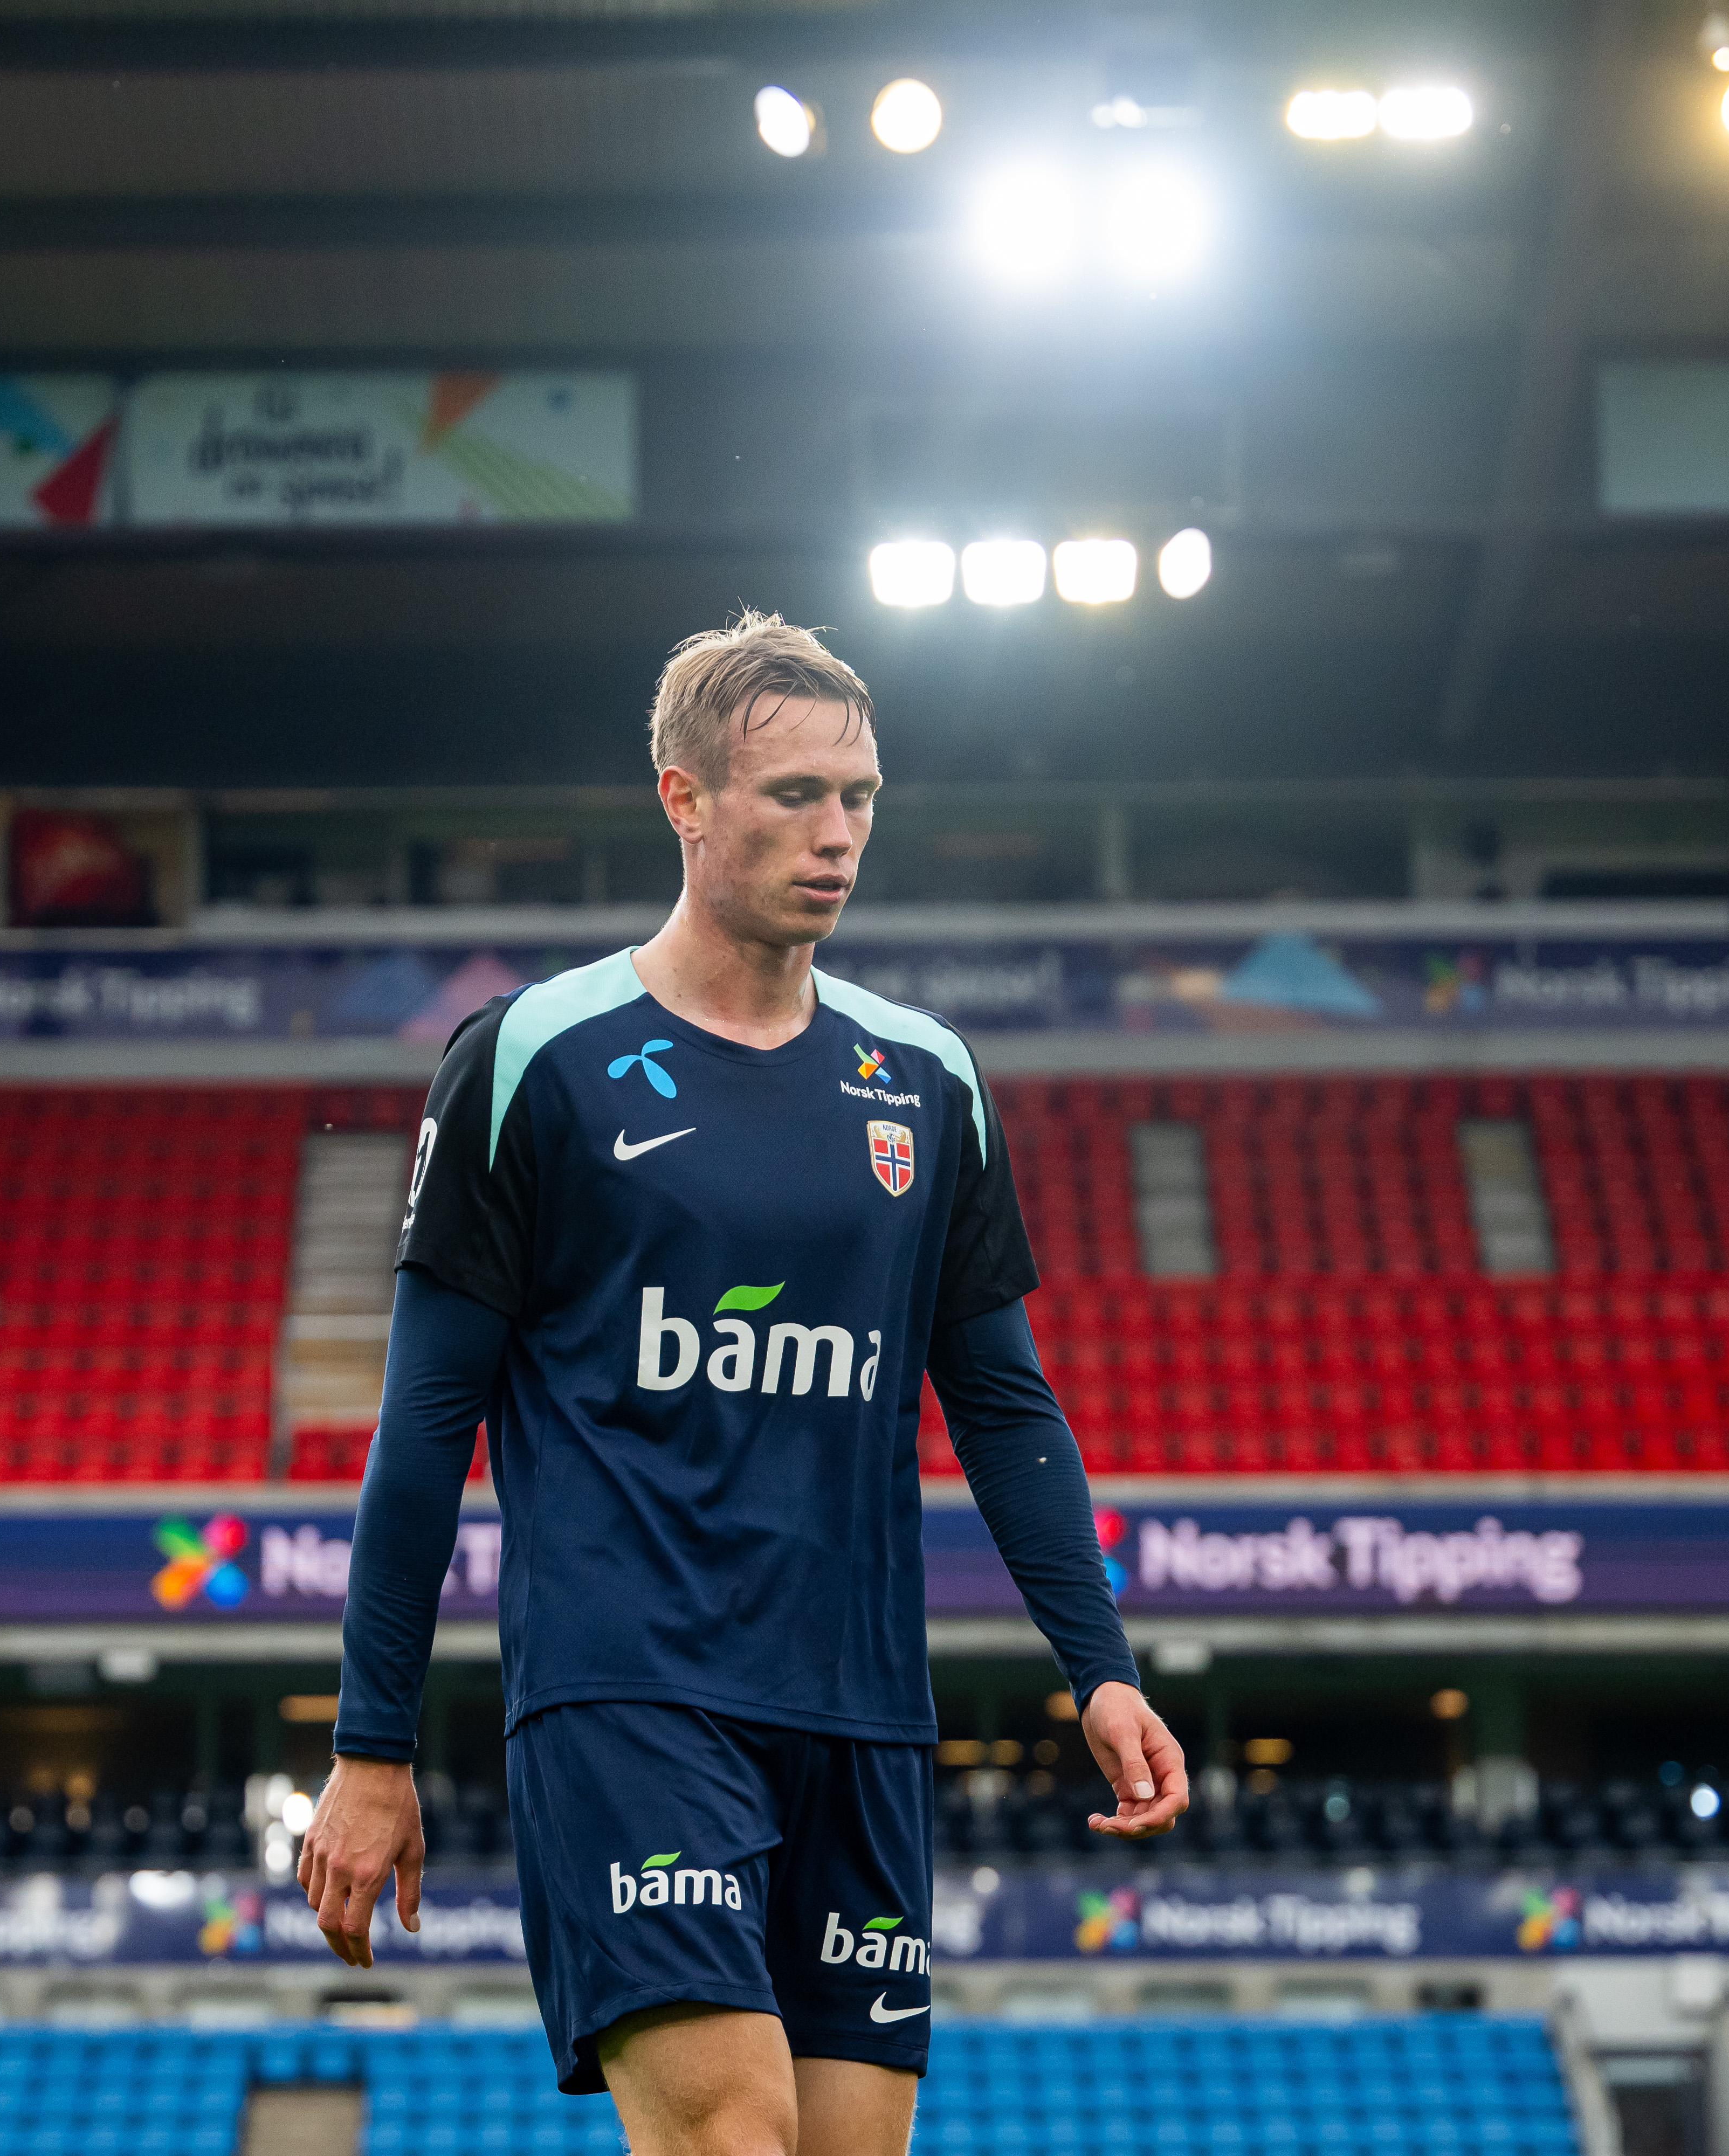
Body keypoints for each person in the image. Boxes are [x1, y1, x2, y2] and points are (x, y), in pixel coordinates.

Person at [300, 610, 1187, 2156]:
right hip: (628, 1683)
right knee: (732, 2136)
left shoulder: (927, 1076)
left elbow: (1003, 1403)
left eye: (860, 796)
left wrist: (1097, 1664)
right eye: (794, 795)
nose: (837, 833)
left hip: (859, 1704)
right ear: (684, 800)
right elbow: (428, 1423)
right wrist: (374, 1743)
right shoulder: (535, 1058)